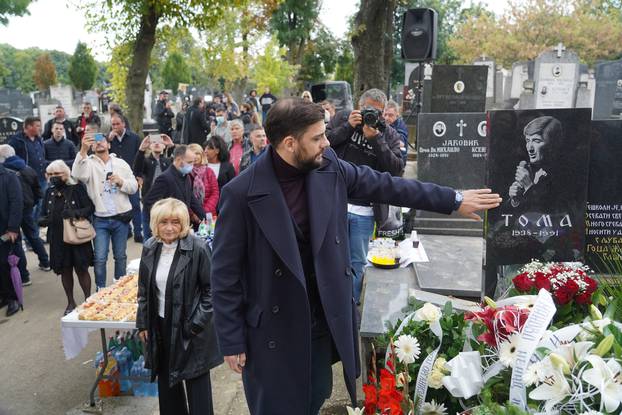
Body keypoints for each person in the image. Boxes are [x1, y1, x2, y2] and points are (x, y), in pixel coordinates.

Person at [211, 98, 501, 414]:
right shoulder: (241, 193)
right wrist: (231, 339)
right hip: (272, 332)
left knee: (315, 396)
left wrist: (453, 200)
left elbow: (387, 186)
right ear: (290, 143)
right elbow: (224, 274)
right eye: (317, 138)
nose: (326, 143)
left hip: (320, 322)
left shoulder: (329, 167)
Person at [136, 197, 222, 415]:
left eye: (175, 222)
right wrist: (143, 323)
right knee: (168, 385)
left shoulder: (198, 248)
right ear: (155, 223)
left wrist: (194, 325)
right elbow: (144, 291)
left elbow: (211, 292)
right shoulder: (149, 248)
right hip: (161, 325)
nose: (169, 228)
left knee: (197, 386)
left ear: (184, 223)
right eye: (164, 222)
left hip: (191, 328)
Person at [326, 88, 404, 303]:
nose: (373, 116)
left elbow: (396, 169)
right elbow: (323, 145)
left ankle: (349, 308)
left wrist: (377, 140)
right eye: (368, 110)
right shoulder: (343, 118)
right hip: (335, 202)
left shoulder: (388, 133)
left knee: (357, 262)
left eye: (378, 112)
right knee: (329, 258)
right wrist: (348, 127)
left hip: (365, 210)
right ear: (359, 107)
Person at [72, 123, 138, 290]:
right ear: (92, 146)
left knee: (120, 256)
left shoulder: (121, 163)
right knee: (100, 258)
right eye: (95, 141)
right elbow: (77, 175)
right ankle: (100, 288)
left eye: (101, 139)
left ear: (109, 144)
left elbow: (134, 187)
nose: (99, 142)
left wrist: (121, 181)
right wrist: (83, 151)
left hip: (120, 218)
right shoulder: (88, 163)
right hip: (100, 219)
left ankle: (120, 287)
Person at [39, 160, 94, 315]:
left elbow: (90, 208)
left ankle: (88, 300)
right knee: (65, 270)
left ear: (66, 173)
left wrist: (74, 213)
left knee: (81, 268)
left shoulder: (76, 188)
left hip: (76, 234)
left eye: (57, 174)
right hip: (57, 237)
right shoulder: (49, 192)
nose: (53, 177)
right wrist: (43, 220)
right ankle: (70, 302)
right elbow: (43, 212)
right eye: (50, 174)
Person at [0, 145, 50, 282]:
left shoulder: (5, 172)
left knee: (15, 242)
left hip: (10, 211)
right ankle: (45, 262)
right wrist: (31, 203)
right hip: (27, 207)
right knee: (33, 235)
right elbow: (38, 190)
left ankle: (24, 276)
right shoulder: (27, 168)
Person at [143, 145, 205, 230]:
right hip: (170, 228)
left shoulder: (185, 176)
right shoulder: (165, 178)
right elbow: (149, 202)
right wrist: (165, 220)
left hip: (182, 225)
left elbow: (191, 199)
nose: (192, 165)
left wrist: (204, 217)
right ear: (179, 160)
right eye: (190, 162)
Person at [508, 116, 562, 211]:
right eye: (528, 141)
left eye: (537, 141)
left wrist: (529, 187)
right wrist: (515, 200)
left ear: (552, 144)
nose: (530, 148)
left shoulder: (563, 173)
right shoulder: (529, 169)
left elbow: (552, 211)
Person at [8, 116, 47, 239]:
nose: (39, 128)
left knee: (40, 206)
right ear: (29, 126)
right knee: (31, 209)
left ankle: (33, 234)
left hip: (41, 178)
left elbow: (42, 156)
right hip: (26, 180)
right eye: (37, 125)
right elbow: (9, 157)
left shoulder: (38, 139)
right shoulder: (16, 140)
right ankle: (30, 236)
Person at [107, 114, 143, 242]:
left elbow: (140, 158)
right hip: (115, 179)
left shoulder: (134, 138)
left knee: (135, 205)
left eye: (117, 124)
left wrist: (139, 175)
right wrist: (108, 141)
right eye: (113, 124)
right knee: (120, 206)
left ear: (124, 124)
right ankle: (127, 231)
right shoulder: (108, 139)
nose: (115, 127)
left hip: (130, 177)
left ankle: (138, 232)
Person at [133, 135, 173, 239]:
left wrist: (171, 145)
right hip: (149, 203)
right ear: (150, 146)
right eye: (154, 141)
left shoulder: (168, 161)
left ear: (164, 146)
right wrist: (141, 149)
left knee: (165, 234)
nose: (156, 143)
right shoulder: (146, 161)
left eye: (159, 141)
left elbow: (179, 161)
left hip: (166, 203)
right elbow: (137, 170)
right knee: (148, 235)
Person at [0, 162, 23, 317]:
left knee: (5, 264)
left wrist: (13, 228)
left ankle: (13, 298)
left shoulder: (9, 176)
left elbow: (17, 203)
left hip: (6, 229)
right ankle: (3, 295)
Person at [187, 143, 219, 218]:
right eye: (192, 154)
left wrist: (204, 211)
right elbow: (186, 196)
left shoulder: (209, 171)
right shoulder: (186, 173)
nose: (195, 156)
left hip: (208, 214)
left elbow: (215, 193)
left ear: (202, 155)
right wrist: (193, 214)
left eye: (197, 153)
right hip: (191, 216)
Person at [383, 100, 409, 164]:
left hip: (398, 161)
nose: (387, 118)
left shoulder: (401, 125)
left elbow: (401, 143)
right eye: (385, 114)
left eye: (390, 115)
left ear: (397, 115)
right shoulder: (382, 123)